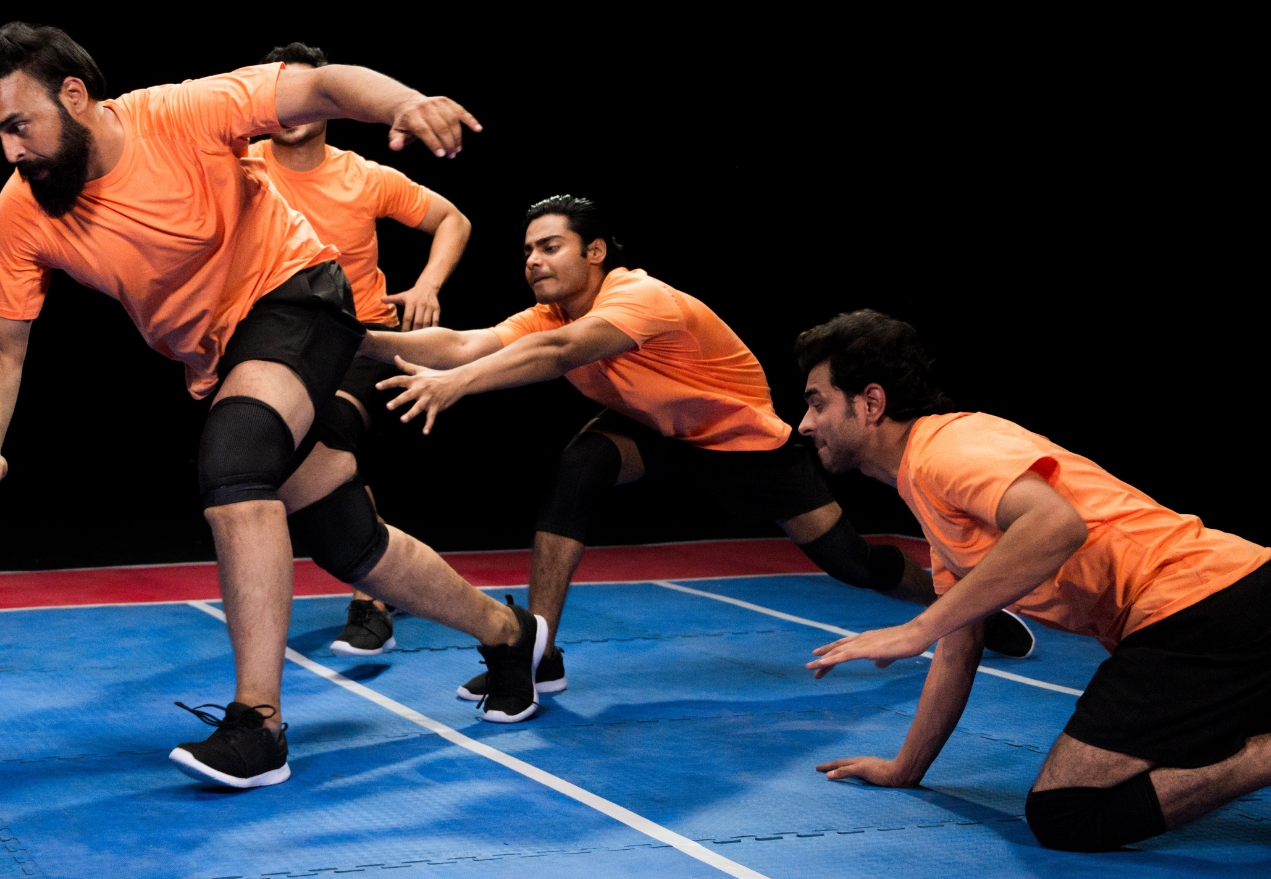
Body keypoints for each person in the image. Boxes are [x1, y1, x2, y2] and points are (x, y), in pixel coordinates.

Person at [0, 24, 553, 794]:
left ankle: (258, 725)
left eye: (18, 125)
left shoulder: (179, 115)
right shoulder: (23, 211)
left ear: (74, 97)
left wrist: (405, 102)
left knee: (234, 462)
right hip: (221, 357)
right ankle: (513, 638)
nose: (11, 150)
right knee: (347, 540)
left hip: (298, 293)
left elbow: (325, 86)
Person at [363, 195, 1033, 703]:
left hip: (747, 450)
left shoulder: (640, 296)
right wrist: (356, 336)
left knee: (851, 563)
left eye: (549, 247)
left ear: (594, 252)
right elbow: (459, 344)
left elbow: (561, 354)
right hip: (659, 439)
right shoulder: (544, 315)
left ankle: (969, 606)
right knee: (581, 462)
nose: (532, 261)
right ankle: (536, 650)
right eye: (527, 251)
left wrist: (455, 387)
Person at [795, 310, 1269, 852]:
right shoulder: (927, 490)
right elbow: (959, 644)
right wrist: (906, 767)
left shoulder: (947, 450)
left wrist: (915, 629)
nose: (805, 424)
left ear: (871, 403)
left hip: (1200, 608)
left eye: (816, 402)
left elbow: (1055, 524)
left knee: (1064, 813)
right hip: (1229, 600)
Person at [249, 42, 473, 658]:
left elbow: (453, 219)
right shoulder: (240, 171)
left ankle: (371, 599)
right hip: (275, 349)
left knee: (331, 434)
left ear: (328, 99)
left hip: (362, 344)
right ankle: (384, 571)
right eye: (282, 90)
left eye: (308, 89)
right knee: (284, 467)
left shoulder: (363, 176)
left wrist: (427, 285)